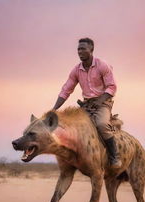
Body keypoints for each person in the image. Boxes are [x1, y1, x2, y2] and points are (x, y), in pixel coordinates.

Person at [52, 37, 121, 168]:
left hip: (104, 102)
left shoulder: (102, 65)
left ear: (91, 49)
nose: (79, 52)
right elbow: (66, 90)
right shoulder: (76, 70)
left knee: (101, 124)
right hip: (86, 104)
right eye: (78, 49)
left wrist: (100, 101)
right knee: (71, 126)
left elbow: (112, 87)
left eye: (83, 49)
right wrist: (54, 109)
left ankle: (114, 156)